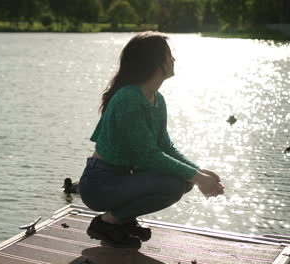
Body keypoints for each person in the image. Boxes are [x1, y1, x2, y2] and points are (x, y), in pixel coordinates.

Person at [78, 31, 225, 248]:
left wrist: (199, 172)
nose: (173, 59)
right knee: (175, 185)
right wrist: (198, 177)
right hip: (100, 185)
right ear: (154, 62)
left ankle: (122, 220)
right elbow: (148, 156)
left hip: (123, 179)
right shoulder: (128, 98)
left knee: (184, 181)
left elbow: (165, 147)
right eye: (168, 55)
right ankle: (108, 222)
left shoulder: (157, 99)